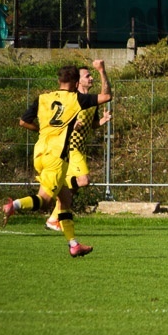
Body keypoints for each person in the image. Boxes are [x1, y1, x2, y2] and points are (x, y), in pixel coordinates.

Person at [1, 61, 112, 257]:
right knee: (44, 200)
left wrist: (42, 130)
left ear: (59, 80)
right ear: (76, 82)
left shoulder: (43, 98)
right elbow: (107, 96)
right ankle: (14, 205)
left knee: (65, 198)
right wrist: (102, 71)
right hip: (57, 157)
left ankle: (73, 244)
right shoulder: (76, 99)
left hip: (39, 153)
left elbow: (23, 122)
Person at [40, 65, 112, 233]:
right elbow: (55, 122)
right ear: (77, 81)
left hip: (80, 148)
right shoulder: (73, 100)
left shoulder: (90, 101)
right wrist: (71, 126)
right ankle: (57, 191)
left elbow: (92, 123)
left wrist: (101, 121)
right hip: (70, 147)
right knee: (83, 180)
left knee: (76, 186)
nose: (91, 78)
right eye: (87, 76)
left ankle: (53, 219)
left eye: (91, 75)